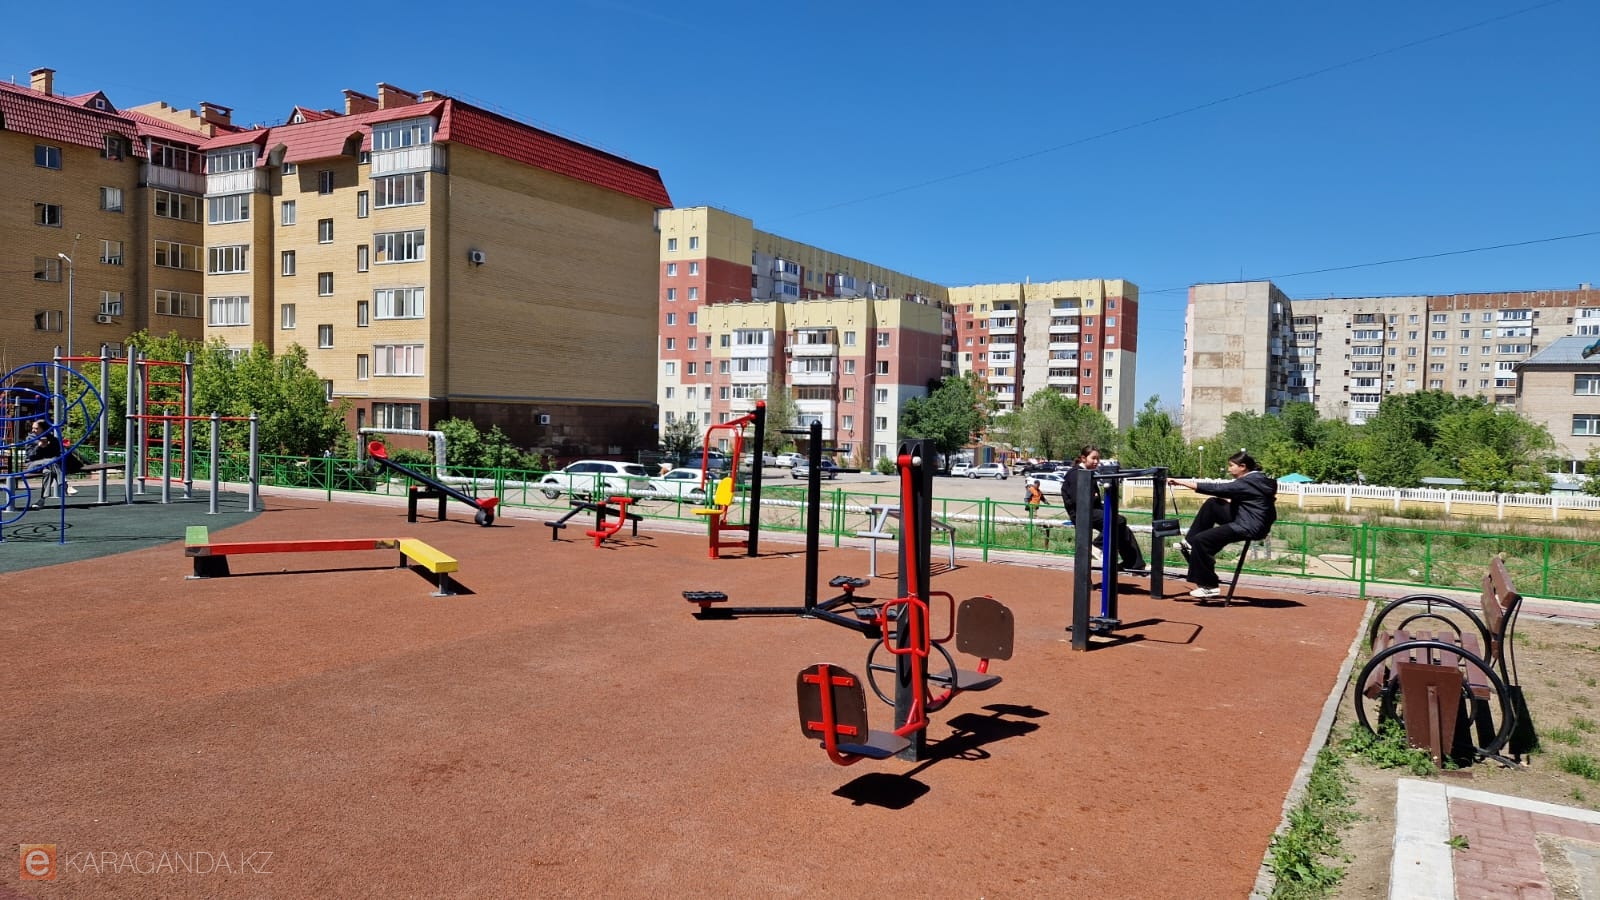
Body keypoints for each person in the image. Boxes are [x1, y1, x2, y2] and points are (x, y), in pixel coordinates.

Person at [1168, 450, 1278, 599]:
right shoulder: (1257, 480)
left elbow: (1218, 488)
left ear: (1243, 467)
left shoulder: (1248, 482)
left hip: (1248, 526)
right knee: (1213, 504)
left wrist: (1181, 482)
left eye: (1231, 466)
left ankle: (1209, 586)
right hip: (1247, 519)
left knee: (1202, 541)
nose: (1229, 469)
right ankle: (1189, 542)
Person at [1061, 445, 1146, 572]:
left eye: (1098, 458)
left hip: (1091, 510)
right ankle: (1096, 546)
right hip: (1081, 513)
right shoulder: (1076, 474)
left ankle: (1134, 563)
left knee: (1123, 528)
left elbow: (1093, 498)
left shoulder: (1088, 473)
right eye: (1093, 458)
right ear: (1083, 458)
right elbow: (1078, 499)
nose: (1096, 461)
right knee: (1118, 521)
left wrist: (1098, 500)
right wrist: (1095, 497)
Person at [24, 419, 63, 507]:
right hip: (33, 464)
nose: (33, 430)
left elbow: (56, 453)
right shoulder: (30, 438)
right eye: (33, 428)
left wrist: (48, 446)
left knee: (47, 472)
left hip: (47, 466)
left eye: (36, 428)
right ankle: (64, 484)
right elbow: (30, 456)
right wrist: (39, 447)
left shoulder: (52, 439)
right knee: (51, 461)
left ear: (43, 429)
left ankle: (42, 500)